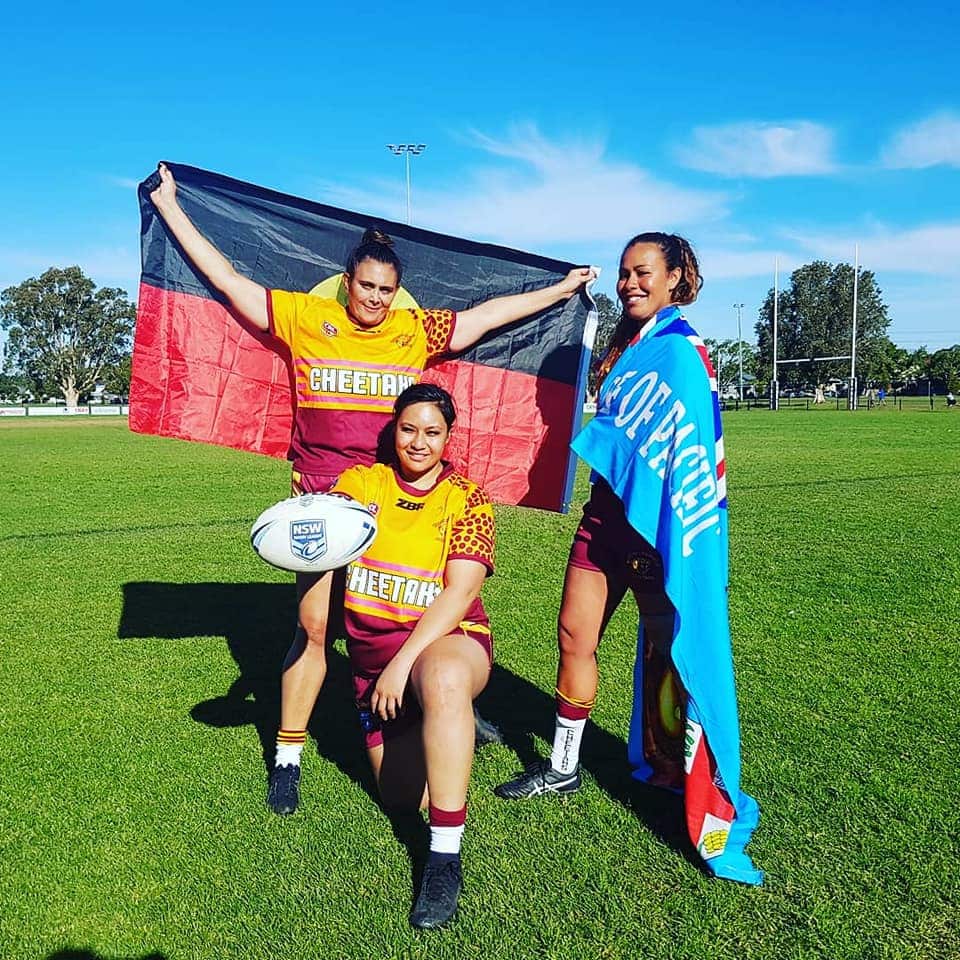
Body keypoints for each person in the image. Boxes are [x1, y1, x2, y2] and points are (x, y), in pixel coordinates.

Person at [148, 164, 594, 816]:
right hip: (326, 506)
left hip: (396, 500)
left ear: (397, 292)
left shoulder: (414, 332)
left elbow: (486, 319)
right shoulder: (305, 317)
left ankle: (447, 707)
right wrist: (170, 208)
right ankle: (290, 753)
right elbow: (226, 280)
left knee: (411, 614)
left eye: (388, 289)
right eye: (367, 285)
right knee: (315, 624)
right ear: (347, 282)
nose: (377, 298)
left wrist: (559, 291)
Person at [494, 232, 761, 884]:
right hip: (601, 521)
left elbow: (692, 451)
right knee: (572, 637)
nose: (630, 283)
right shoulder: (622, 346)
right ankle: (562, 767)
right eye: (623, 274)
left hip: (652, 531)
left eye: (643, 273)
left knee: (668, 652)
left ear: (674, 278)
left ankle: (679, 774)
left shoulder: (684, 354)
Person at [329, 383, 495, 929]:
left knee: (443, 679)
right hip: (374, 664)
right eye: (408, 429)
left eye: (432, 432)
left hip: (447, 643)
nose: (419, 442)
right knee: (402, 799)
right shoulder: (361, 484)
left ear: (449, 437)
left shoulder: (467, 497)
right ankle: (442, 720)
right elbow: (317, 536)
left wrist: (405, 665)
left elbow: (459, 592)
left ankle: (444, 859)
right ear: (392, 429)